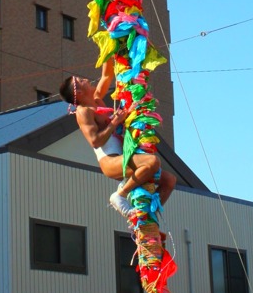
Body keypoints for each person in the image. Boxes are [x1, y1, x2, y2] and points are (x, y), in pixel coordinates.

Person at [59, 58, 176, 220]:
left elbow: (107, 75)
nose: (85, 79)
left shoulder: (98, 100)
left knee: (169, 181)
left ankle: (147, 217)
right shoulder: (83, 111)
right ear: (78, 92)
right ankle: (120, 194)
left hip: (125, 157)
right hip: (110, 161)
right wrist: (115, 121)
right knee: (152, 162)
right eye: (80, 81)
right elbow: (95, 141)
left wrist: (112, 49)